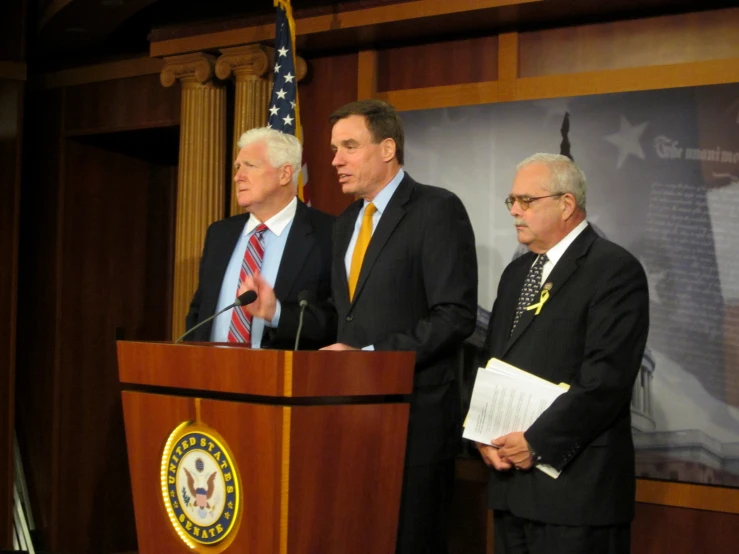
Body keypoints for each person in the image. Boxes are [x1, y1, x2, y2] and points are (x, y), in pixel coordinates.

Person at [321, 99, 478, 554]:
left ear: (387, 148)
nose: (335, 160)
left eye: (349, 146)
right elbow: (344, 316)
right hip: (349, 416)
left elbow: (454, 316)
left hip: (414, 419)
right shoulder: (346, 221)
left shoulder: (436, 209)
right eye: (334, 149)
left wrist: (371, 358)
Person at [476, 153, 649, 554]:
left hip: (577, 494)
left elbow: (605, 381)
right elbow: (492, 361)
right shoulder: (517, 273)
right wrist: (482, 436)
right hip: (510, 489)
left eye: (527, 201)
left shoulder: (614, 269)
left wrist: (536, 441)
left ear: (566, 204)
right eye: (511, 202)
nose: (515, 212)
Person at [185, 127, 335, 349]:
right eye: (237, 167)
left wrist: (277, 314)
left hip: (282, 377)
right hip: (212, 375)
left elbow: (336, 321)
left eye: (250, 166)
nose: (238, 176)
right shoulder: (219, 234)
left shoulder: (330, 233)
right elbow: (199, 312)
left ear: (284, 174)